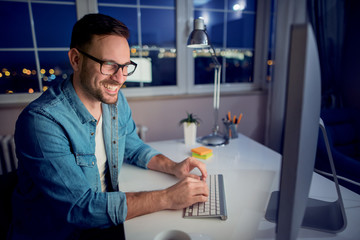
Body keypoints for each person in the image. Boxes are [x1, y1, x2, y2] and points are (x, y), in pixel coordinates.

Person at [9, 13, 208, 240]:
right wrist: (167, 198)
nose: (120, 78)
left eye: (125, 66)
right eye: (110, 65)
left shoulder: (113, 99)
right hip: (61, 233)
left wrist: (173, 167)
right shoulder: (41, 122)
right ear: (76, 59)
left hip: (107, 219)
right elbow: (80, 209)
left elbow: (133, 146)